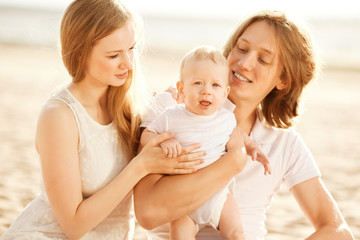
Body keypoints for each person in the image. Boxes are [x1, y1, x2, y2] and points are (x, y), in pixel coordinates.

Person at [133, 10, 355, 240]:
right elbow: (148, 213)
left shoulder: (284, 144)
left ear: (283, 79)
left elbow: (339, 231)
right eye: (241, 48)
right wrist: (233, 161)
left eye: (263, 59)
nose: (244, 63)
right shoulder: (171, 107)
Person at [0, 0, 204, 239]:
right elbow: (73, 226)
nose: (128, 63)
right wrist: (140, 166)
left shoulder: (132, 107)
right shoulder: (59, 116)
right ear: (80, 53)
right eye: (113, 55)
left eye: (132, 49)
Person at [140, 46, 271, 239]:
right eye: (198, 83)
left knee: (236, 232)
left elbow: (238, 134)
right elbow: (147, 134)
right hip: (182, 196)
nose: (206, 92)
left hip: (217, 193)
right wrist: (162, 143)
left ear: (225, 93)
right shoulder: (171, 116)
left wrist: (253, 147)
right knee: (180, 236)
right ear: (181, 88)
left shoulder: (225, 118)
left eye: (215, 85)